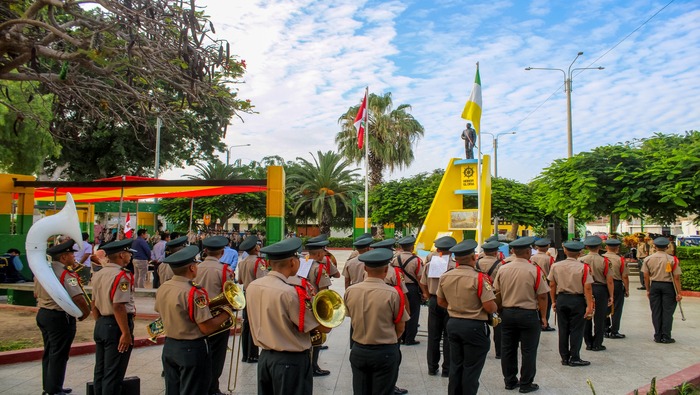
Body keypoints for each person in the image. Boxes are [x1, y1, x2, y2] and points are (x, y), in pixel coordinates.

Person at [246, 237, 331, 395]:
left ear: (270, 263)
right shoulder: (290, 293)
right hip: (290, 361)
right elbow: (322, 327)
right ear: (293, 262)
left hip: (265, 358)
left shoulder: (253, 286)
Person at [155, 245, 234, 395]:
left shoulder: (164, 287)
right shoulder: (194, 292)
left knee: (173, 390)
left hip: (170, 346)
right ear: (192, 268)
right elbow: (206, 328)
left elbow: (160, 310)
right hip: (191, 349)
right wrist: (226, 314)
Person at [345, 248, 409, 395]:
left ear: (365, 268)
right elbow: (400, 326)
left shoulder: (351, 291)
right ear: (386, 270)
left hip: (359, 349)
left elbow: (350, 315)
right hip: (384, 351)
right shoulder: (393, 293)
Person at [437, 239, 497, 395]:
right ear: (473, 257)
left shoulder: (446, 276)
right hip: (475, 326)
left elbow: (440, 301)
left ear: (456, 258)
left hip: (453, 323)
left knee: (456, 364)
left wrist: (456, 308)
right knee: (471, 368)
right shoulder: (479, 278)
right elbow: (489, 306)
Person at [493, 237, 550, 393]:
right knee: (529, 350)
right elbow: (543, 296)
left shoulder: (503, 268)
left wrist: (499, 310)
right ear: (527, 252)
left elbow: (496, 292)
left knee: (508, 348)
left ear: (513, 251)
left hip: (508, 313)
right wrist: (543, 316)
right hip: (528, 314)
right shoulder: (534, 270)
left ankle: (509, 381)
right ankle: (526, 383)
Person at [35, 240, 91, 395]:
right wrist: (85, 313)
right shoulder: (66, 273)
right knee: (59, 354)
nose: (74, 256)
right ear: (64, 257)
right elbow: (78, 297)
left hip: (43, 313)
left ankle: (49, 386)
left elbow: (35, 293)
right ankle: (54, 390)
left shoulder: (43, 271)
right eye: (71, 254)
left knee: (49, 352)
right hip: (60, 317)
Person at [91, 239, 137, 395]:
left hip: (103, 323)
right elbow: (118, 305)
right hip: (116, 325)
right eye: (128, 253)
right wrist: (125, 332)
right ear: (121, 255)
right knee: (114, 373)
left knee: (101, 370)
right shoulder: (122, 276)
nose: (130, 256)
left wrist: (101, 323)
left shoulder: (98, 273)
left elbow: (94, 303)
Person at [194, 236, 235, 395]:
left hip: (198, 316)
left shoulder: (195, 267)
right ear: (222, 252)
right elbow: (229, 294)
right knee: (217, 356)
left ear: (205, 251)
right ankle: (212, 387)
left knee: (201, 353)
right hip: (217, 318)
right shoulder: (224, 270)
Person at [548, 241, 594, 367]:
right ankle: (574, 357)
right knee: (576, 329)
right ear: (579, 253)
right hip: (577, 299)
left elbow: (552, 284)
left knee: (563, 329)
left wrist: (553, 301)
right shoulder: (584, 267)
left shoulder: (556, 266)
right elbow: (588, 287)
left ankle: (564, 357)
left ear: (565, 251)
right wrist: (590, 305)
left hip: (562, 298)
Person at [420, 236, 457, 378]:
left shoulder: (430, 264)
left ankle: (432, 367)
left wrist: (428, 296)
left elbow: (422, 282)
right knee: (448, 336)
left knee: (433, 336)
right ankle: (447, 369)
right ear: (452, 250)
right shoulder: (454, 265)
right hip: (450, 302)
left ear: (438, 249)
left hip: (434, 300)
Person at [643, 237, 682, 344]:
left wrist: (648, 289)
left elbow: (646, 276)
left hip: (655, 285)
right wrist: (679, 292)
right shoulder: (672, 259)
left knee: (656, 311)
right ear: (667, 247)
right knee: (667, 312)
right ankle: (666, 335)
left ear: (654, 247)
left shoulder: (648, 259)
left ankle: (657, 335)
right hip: (669, 286)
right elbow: (676, 277)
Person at [303, 237, 333, 377]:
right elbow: (324, 291)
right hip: (315, 305)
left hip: (301, 303)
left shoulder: (302, 263)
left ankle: (306, 364)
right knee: (317, 335)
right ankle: (314, 366)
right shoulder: (319, 268)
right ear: (320, 254)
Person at [580, 236, 614, 352]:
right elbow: (609, 280)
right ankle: (597, 343)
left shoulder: (581, 260)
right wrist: (611, 295)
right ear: (600, 247)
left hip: (585, 289)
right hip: (600, 289)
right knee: (600, 317)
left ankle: (588, 342)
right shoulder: (605, 261)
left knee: (586, 315)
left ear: (587, 247)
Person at [237, 235, 265, 363]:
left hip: (245, 293)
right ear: (255, 248)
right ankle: (253, 355)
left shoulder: (242, 262)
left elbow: (241, 280)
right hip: (255, 295)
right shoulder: (258, 262)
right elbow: (262, 280)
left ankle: (245, 355)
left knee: (246, 324)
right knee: (254, 324)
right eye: (258, 245)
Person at [476, 240, 505, 358]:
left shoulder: (477, 263)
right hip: (495, 295)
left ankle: (479, 348)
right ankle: (499, 352)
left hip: (480, 294)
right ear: (495, 252)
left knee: (479, 321)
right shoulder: (501, 264)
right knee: (498, 324)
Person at [392, 236, 423, 346]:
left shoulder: (395, 259)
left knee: (401, 312)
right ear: (412, 247)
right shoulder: (417, 260)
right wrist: (424, 292)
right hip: (412, 288)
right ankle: (410, 338)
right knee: (413, 313)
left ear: (401, 247)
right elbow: (420, 278)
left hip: (399, 288)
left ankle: (402, 335)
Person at [603, 238, 629, 339]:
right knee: (617, 308)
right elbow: (625, 276)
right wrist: (626, 289)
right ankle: (614, 331)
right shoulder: (620, 260)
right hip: (617, 284)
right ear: (617, 248)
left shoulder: (602, 258)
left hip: (603, 284)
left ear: (606, 247)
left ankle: (605, 329)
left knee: (604, 307)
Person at [530, 238, 556, 331]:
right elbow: (553, 273)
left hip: (533, 283)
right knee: (546, 304)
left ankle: (536, 322)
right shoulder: (550, 259)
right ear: (548, 247)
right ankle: (544, 323)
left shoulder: (531, 257)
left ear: (537, 247)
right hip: (546, 283)